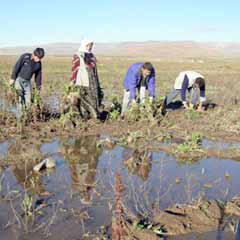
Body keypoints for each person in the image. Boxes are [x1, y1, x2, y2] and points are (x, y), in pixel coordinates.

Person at [69, 39, 103, 119]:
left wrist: (97, 81)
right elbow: (75, 69)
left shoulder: (91, 55)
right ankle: (85, 116)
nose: (89, 47)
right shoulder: (78, 55)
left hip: (93, 81)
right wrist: (72, 81)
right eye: (88, 46)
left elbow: (94, 69)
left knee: (94, 98)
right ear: (84, 45)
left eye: (91, 46)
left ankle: (93, 115)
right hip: (83, 81)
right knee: (84, 98)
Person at [9, 48, 45, 116]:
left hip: (27, 83)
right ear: (34, 54)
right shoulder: (25, 57)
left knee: (28, 101)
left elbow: (38, 76)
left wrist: (38, 88)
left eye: (40, 58)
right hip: (19, 80)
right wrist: (12, 78)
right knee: (20, 99)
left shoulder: (39, 64)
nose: (39, 60)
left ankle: (26, 116)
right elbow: (16, 66)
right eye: (38, 58)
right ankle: (20, 117)